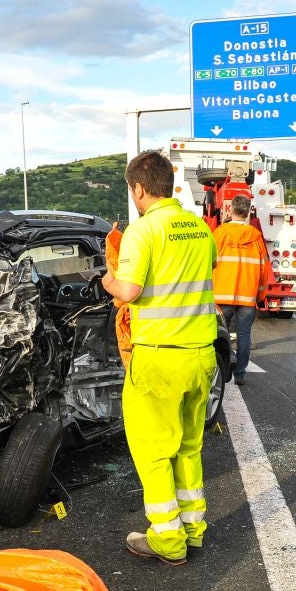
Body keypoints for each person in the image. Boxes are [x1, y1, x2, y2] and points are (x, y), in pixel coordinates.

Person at [102, 151, 218, 566]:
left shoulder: (143, 230)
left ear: (137, 188)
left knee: (153, 452)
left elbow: (128, 292)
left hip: (159, 358)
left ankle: (167, 541)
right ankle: (193, 529)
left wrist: (106, 279)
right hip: (201, 355)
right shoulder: (200, 229)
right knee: (188, 447)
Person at [212, 195, 268, 386]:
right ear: (248, 212)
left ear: (230, 210)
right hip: (247, 296)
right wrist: (260, 296)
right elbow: (263, 269)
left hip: (222, 294)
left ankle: (222, 367)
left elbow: (208, 263)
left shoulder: (220, 234)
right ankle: (241, 374)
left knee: (220, 333)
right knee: (244, 335)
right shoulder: (256, 237)